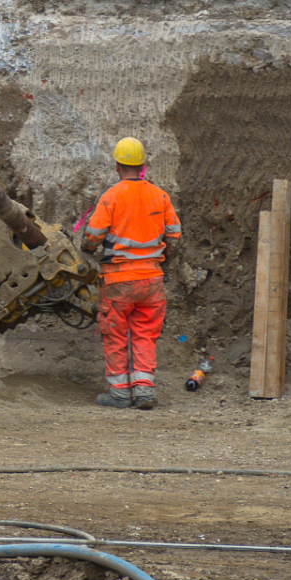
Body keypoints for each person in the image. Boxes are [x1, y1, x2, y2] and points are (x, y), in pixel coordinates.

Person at [81, 136, 182, 410]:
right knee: (145, 333)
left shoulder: (111, 196)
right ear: (143, 165)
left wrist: (87, 249)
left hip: (118, 282)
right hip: (152, 280)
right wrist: (160, 261)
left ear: (117, 165)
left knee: (114, 334)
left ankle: (120, 393)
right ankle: (145, 391)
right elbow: (174, 235)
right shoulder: (160, 195)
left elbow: (92, 236)